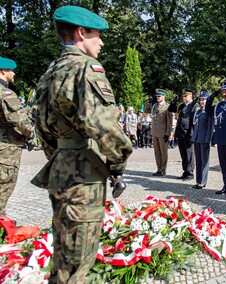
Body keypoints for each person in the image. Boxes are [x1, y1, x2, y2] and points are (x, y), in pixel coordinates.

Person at [31, 6, 133, 283]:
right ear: (80, 33)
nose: (101, 42)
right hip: (83, 172)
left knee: (63, 252)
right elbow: (102, 125)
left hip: (61, 166)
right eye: (97, 35)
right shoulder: (86, 68)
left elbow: (40, 123)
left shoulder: (51, 71)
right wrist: (119, 160)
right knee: (79, 260)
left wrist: (60, 153)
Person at [0, 56, 33, 216]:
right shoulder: (5, 93)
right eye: (11, 70)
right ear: (3, 71)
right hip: (5, 153)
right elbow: (20, 121)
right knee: (2, 192)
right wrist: (32, 134)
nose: (13, 74)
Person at [168, 88, 199, 181]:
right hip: (180, 132)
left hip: (188, 132)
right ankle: (185, 171)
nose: (184, 98)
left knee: (189, 153)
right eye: (183, 97)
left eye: (186, 96)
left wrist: (192, 134)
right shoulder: (181, 105)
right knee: (183, 153)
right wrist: (173, 102)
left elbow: (195, 121)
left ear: (191, 96)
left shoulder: (195, 105)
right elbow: (171, 110)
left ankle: (190, 173)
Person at [144, 89, 173, 176]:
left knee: (163, 153)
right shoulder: (154, 106)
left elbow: (169, 122)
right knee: (157, 152)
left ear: (164, 96)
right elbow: (145, 111)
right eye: (157, 96)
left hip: (163, 133)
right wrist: (149, 102)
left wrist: (168, 133)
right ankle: (158, 168)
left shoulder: (167, 107)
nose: (158, 98)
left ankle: (163, 169)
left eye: (159, 96)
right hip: (155, 132)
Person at [191, 91, 214, 189]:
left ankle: (203, 181)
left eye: (203, 99)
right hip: (197, 139)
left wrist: (208, 140)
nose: (201, 101)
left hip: (204, 139)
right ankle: (198, 180)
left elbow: (210, 127)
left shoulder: (209, 112)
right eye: (200, 99)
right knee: (198, 161)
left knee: (204, 161)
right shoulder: (198, 111)